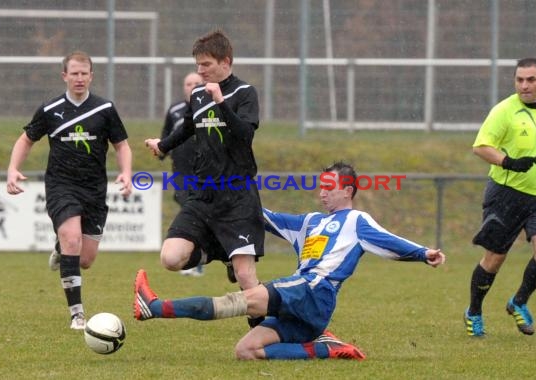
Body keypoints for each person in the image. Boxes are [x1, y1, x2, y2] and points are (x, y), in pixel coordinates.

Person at [133, 161, 446, 360]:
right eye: (320, 186)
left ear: (348, 190)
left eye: (329, 187)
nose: (322, 193)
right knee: (246, 351)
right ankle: (322, 349)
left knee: (240, 301)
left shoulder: (356, 220)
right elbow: (262, 217)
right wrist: (229, 193)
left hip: (312, 291)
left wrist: (423, 253)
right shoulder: (309, 222)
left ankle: (155, 307)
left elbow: (390, 241)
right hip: (303, 303)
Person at [6, 50, 132, 330]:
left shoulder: (105, 109)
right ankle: (77, 314)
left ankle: (60, 249)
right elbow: (26, 139)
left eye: (83, 73)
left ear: (91, 76)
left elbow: (121, 144)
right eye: (73, 73)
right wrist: (13, 168)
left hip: (94, 190)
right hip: (61, 185)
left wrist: (126, 172)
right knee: (71, 238)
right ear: (64, 75)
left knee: (85, 259)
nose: (79, 78)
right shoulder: (51, 110)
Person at [144, 29, 264, 317]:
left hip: (237, 195)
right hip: (203, 193)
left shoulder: (244, 93)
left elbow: (245, 134)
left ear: (226, 61)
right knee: (171, 258)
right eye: (197, 65)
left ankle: (264, 333)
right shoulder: (198, 93)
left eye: (206, 65)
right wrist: (163, 146)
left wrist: (222, 103)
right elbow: (187, 127)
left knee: (246, 278)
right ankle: (219, 252)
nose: (200, 71)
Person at [464, 57, 536, 337]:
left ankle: (519, 302)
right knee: (494, 259)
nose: (524, 86)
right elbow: (481, 147)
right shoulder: (504, 111)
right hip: (506, 195)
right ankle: (474, 312)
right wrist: (509, 162)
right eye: (519, 80)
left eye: (530, 80)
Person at [160, 72, 205, 277]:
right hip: (180, 172)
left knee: (197, 211)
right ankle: (193, 257)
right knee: (188, 207)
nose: (193, 86)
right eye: (189, 83)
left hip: (205, 173)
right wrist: (161, 149)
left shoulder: (211, 108)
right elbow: (167, 136)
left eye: (197, 83)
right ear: (184, 87)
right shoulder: (175, 110)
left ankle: (197, 259)